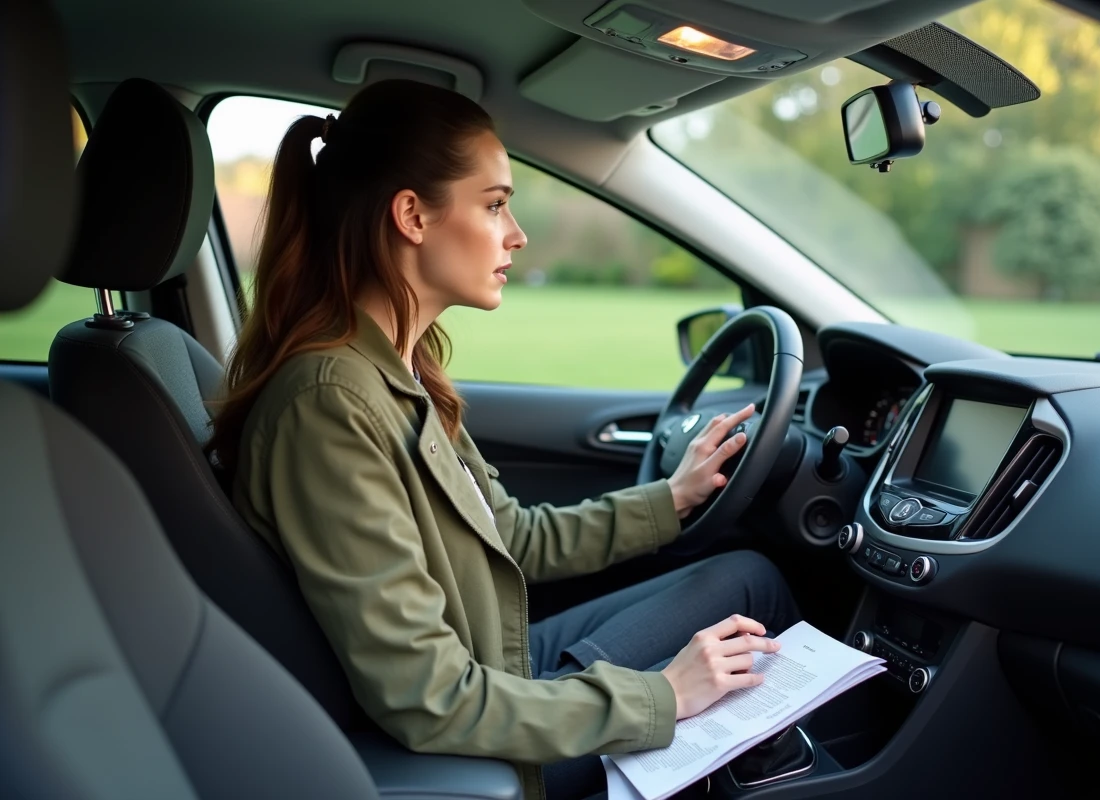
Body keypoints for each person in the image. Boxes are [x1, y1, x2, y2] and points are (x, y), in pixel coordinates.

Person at [208, 78, 801, 800]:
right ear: (412, 216)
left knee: (740, 576)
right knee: (753, 586)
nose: (516, 233)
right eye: (494, 205)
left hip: (494, 668)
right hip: (470, 726)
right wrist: (663, 697)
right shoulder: (329, 405)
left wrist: (671, 500)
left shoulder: (395, 370)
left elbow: (510, 536)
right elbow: (426, 696)